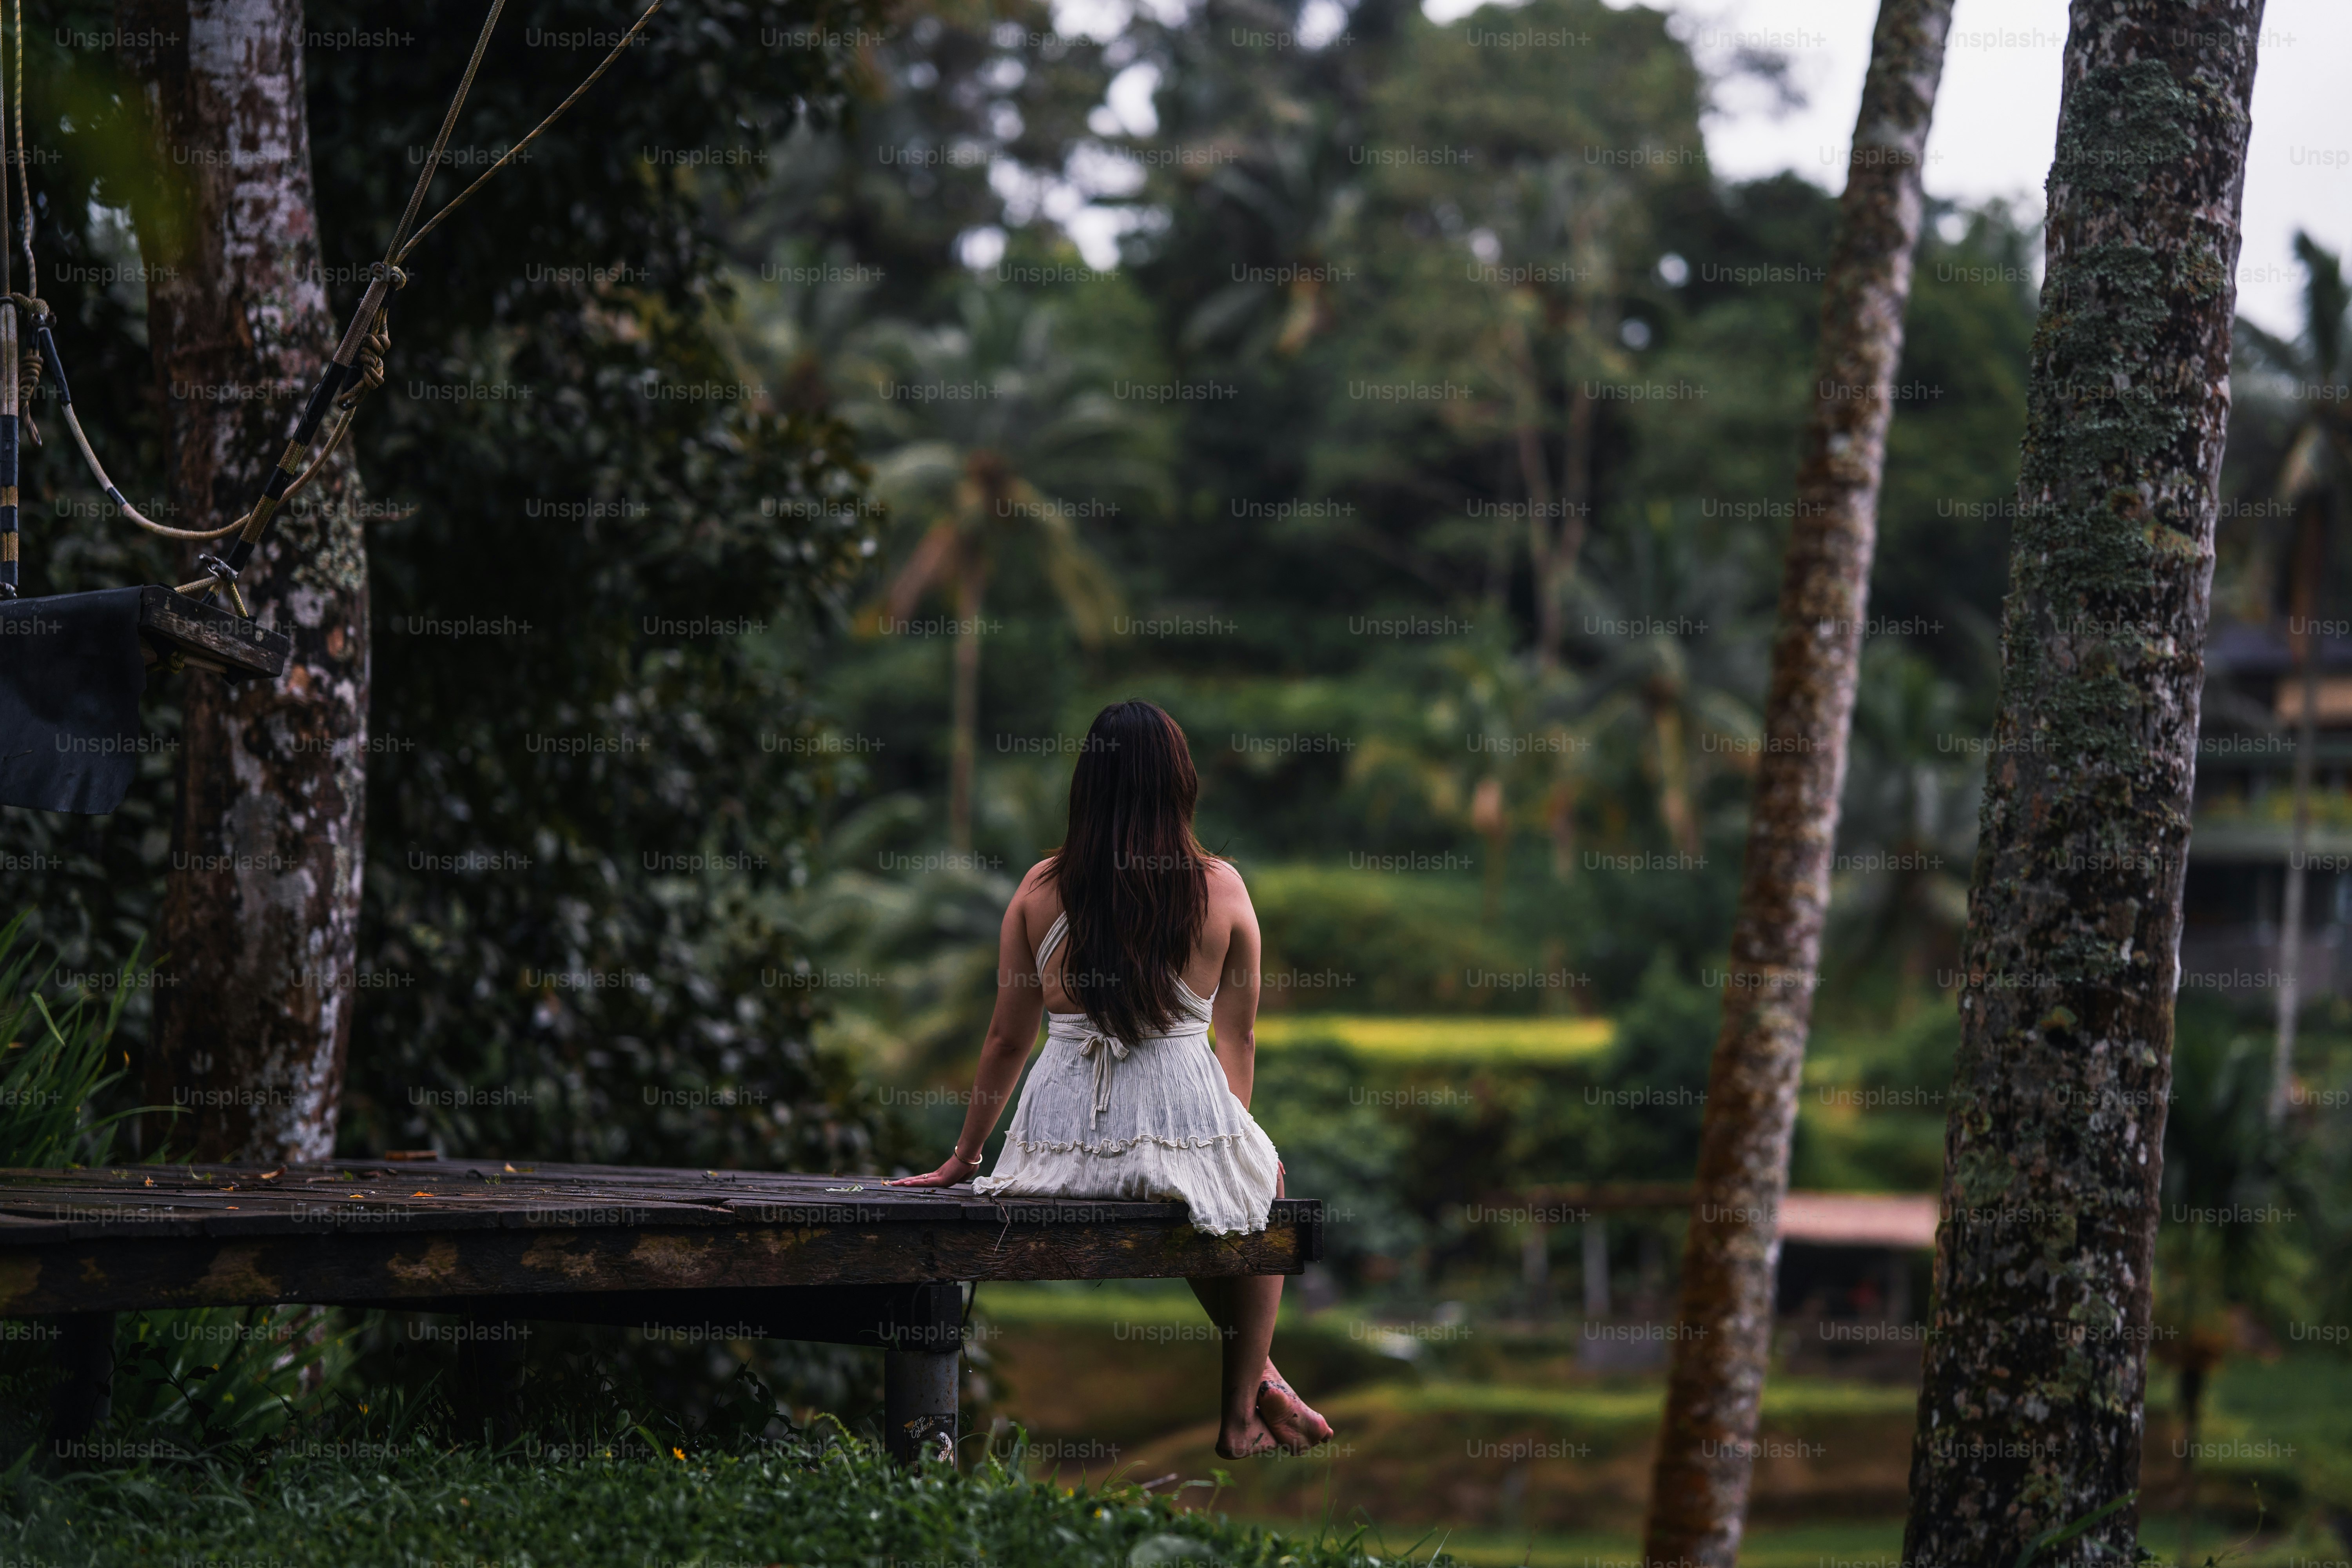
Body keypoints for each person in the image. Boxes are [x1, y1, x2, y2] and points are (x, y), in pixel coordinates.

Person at [889, 699, 1335, 1458]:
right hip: (1163, 1119)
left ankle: (1257, 1380)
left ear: (1086, 786)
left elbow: (1007, 1036)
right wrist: (1217, 1145)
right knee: (1255, 1185)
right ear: (1180, 785)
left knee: (1213, 1188)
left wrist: (964, 1158)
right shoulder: (1221, 889)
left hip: (1056, 1150)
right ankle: (1239, 1407)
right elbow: (1241, 1034)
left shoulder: (1038, 889)